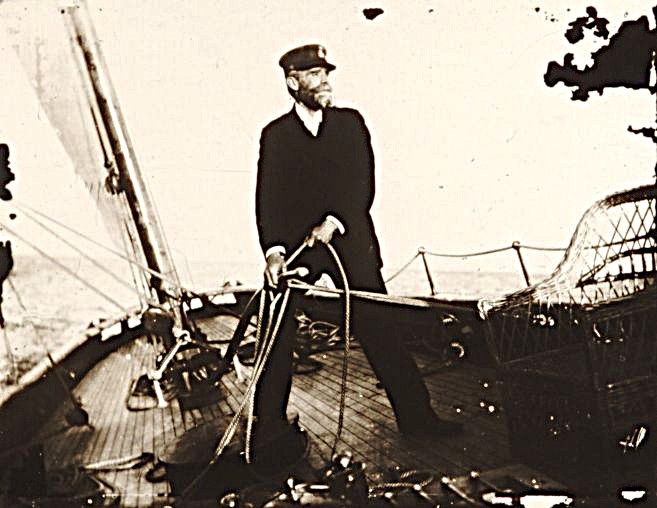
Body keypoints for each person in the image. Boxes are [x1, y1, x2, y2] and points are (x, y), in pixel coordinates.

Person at [254, 44, 462, 457]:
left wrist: (333, 221)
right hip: (299, 249)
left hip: (348, 240)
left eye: (327, 73)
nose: (325, 81)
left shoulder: (350, 124)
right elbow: (268, 197)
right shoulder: (275, 135)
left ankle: (418, 419)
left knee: (379, 327)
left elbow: (361, 182)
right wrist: (274, 251)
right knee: (275, 331)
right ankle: (268, 430)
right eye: (315, 74)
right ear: (293, 82)